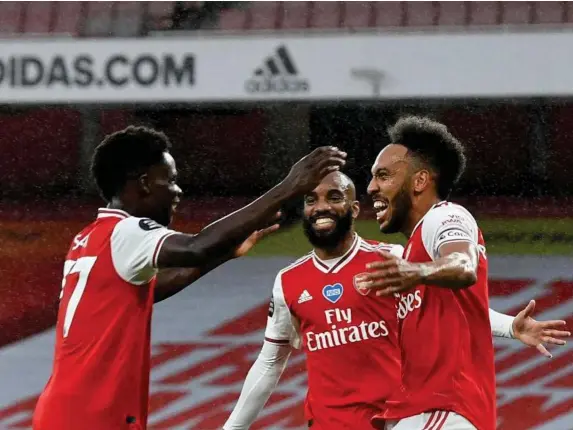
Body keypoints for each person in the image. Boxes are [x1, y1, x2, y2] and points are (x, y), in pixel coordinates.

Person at [32, 125, 347, 430]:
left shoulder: (88, 238)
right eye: (169, 180)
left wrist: (224, 253)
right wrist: (289, 186)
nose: (177, 191)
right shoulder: (127, 231)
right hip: (95, 415)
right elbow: (197, 246)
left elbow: (153, 288)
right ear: (143, 184)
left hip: (65, 409)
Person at [223, 171, 568, 430]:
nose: (321, 207)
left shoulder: (391, 259)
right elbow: (270, 364)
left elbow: (445, 308)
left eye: (333, 197)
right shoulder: (289, 281)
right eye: (311, 200)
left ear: (354, 208)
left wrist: (510, 326)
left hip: (395, 420)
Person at [358, 116, 570, 430]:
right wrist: (510, 326)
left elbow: (463, 264)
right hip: (433, 411)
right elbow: (462, 307)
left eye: (384, 175)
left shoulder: (445, 217)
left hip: (442, 409)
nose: (371, 187)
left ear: (419, 181)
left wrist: (416, 271)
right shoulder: (417, 247)